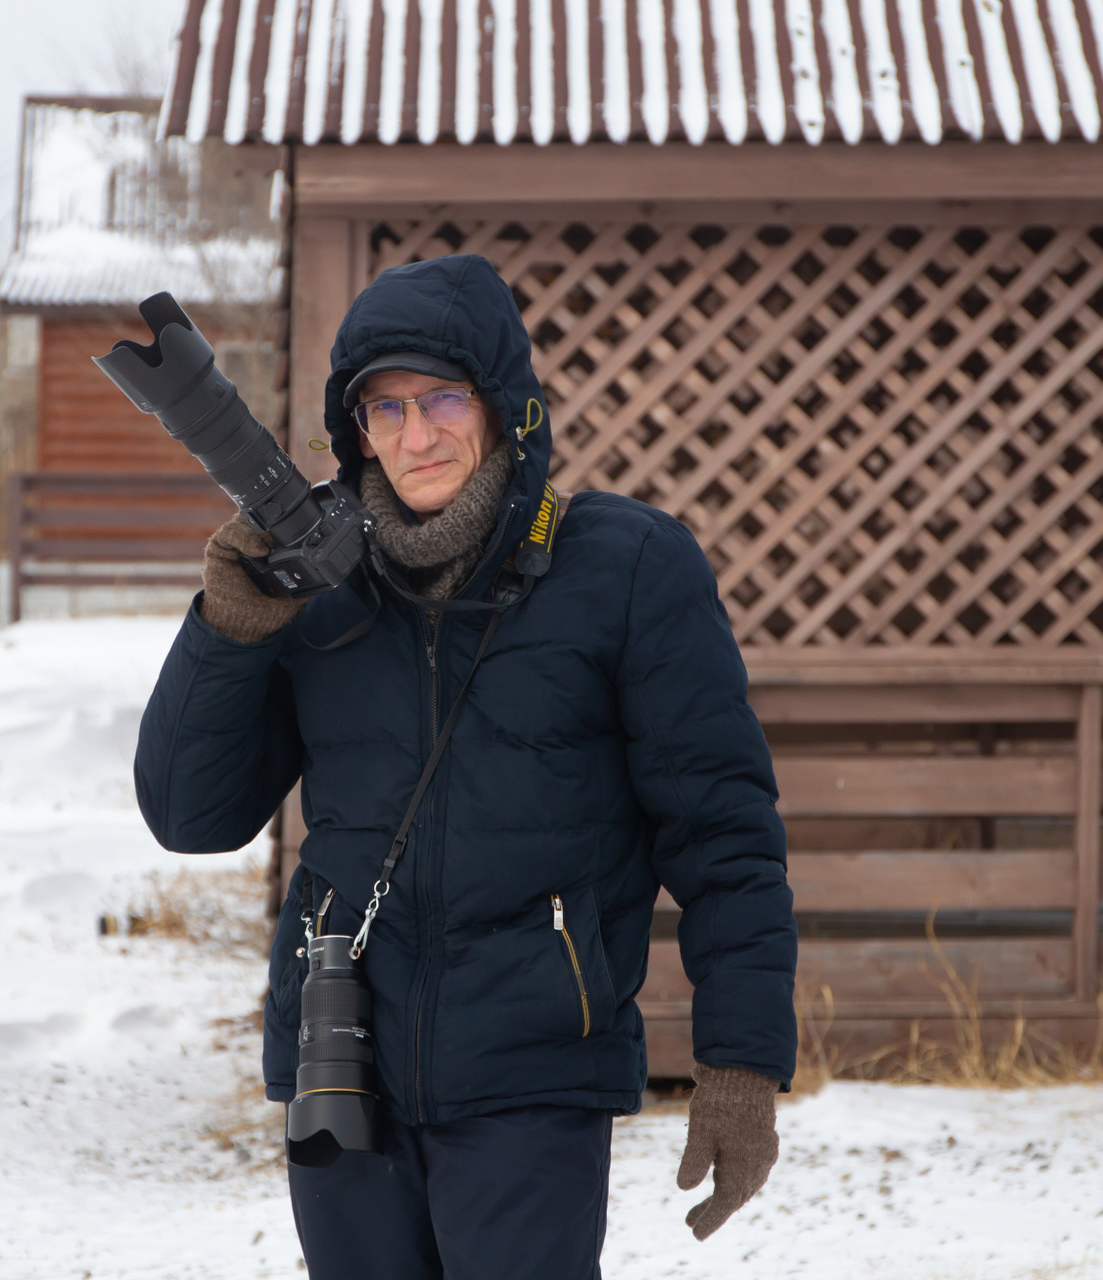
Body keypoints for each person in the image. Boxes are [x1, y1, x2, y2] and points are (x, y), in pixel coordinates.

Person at [135, 254, 797, 1279]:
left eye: (443, 397)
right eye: (386, 407)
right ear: (356, 428)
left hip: (533, 1076)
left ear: (502, 406)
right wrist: (230, 625)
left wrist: (741, 1063)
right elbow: (191, 815)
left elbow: (725, 837)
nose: (417, 435)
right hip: (342, 1070)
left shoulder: (626, 569)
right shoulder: (318, 584)